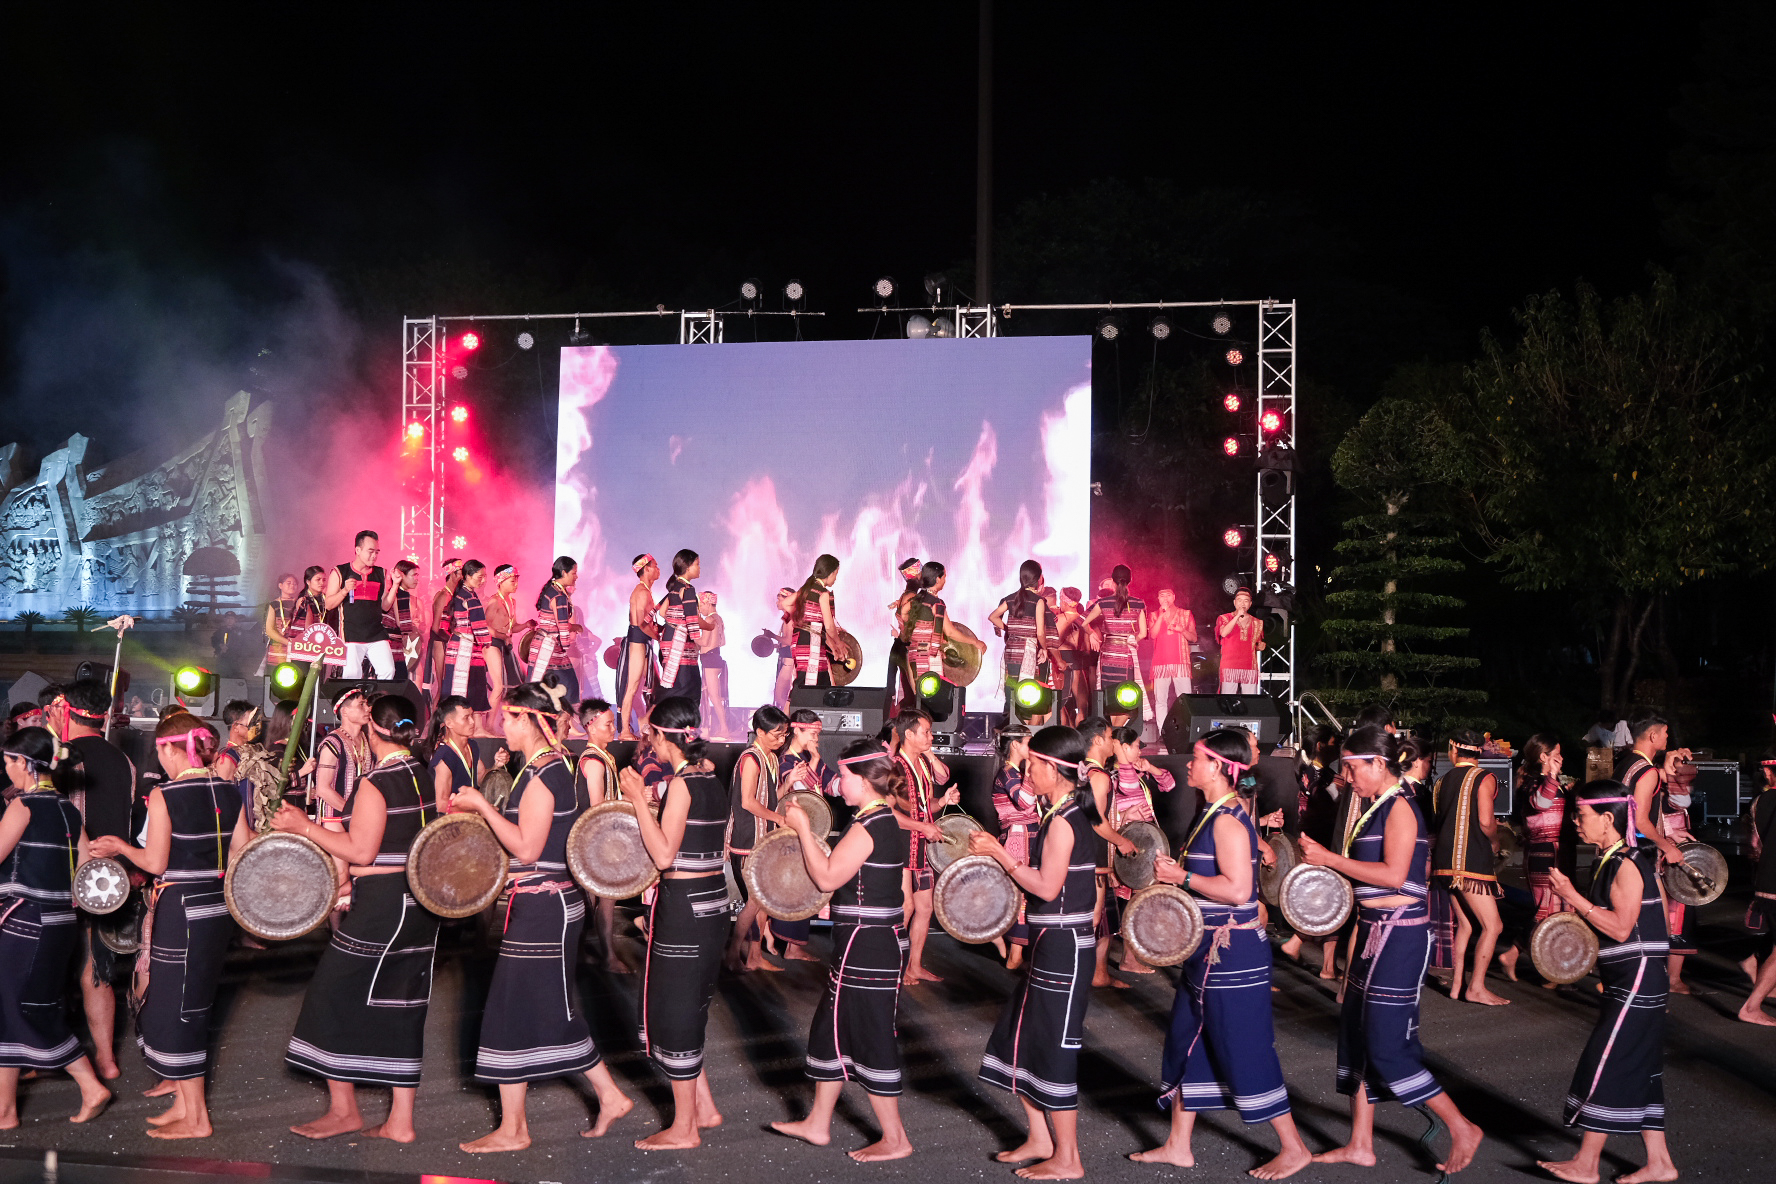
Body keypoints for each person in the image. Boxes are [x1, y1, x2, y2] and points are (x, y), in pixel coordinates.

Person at [449, 678, 632, 1152]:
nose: (500, 725)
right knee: (549, 1007)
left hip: (544, 906)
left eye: (508, 717)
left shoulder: (542, 773)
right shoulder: (554, 766)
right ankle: (608, 1096)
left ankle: (515, 1130)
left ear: (530, 719)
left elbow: (527, 847)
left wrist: (482, 807)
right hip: (548, 903)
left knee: (514, 1008)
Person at [1297, 725, 1484, 1175]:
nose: (1347, 775)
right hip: (1373, 930)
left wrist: (1330, 860)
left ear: (1378, 763)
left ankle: (1462, 1127)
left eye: (1352, 766)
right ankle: (1360, 1143)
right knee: (1357, 1038)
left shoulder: (1400, 808)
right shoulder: (1374, 805)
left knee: (1386, 1047)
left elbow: (1396, 876)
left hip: (1399, 936)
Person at [1132, 728, 1311, 1179]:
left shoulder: (1229, 820)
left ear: (1217, 766)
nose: (1188, 764)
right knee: (1187, 1040)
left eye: (1196, 758)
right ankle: (1177, 1145)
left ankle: (1293, 1147)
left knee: (1244, 1047)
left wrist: (1181, 879)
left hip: (1232, 953)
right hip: (1207, 950)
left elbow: (1238, 890)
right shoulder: (1211, 812)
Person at [276, 695, 441, 1144]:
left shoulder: (378, 780)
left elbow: (362, 850)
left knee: (331, 994)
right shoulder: (421, 773)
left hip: (385, 903)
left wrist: (302, 826)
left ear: (373, 728)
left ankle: (344, 1110)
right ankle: (400, 1122)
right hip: (421, 901)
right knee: (403, 1003)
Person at [89, 713, 250, 1140]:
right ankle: (182, 1102)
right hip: (217, 908)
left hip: (180, 908)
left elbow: (155, 862)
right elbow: (244, 850)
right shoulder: (228, 790)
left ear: (169, 748)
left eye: (158, 750)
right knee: (192, 1002)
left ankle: (197, 1118)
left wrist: (120, 845)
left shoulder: (166, 795)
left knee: (177, 1009)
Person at [769, 737, 915, 1162]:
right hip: (872, 938)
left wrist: (800, 829)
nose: (838, 782)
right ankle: (818, 1122)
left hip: (866, 943)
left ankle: (896, 1138)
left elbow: (827, 879)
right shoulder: (885, 818)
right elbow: (898, 892)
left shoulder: (869, 825)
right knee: (832, 1027)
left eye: (844, 775)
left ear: (865, 781)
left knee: (869, 1033)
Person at [968, 724, 1103, 1180]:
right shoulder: (1059, 813)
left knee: (1052, 1048)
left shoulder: (1065, 821)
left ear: (1051, 768)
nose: (1027, 770)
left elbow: (1046, 885)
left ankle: (1069, 1159)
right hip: (1054, 942)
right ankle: (1041, 1138)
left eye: (1032, 764)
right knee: (1018, 1037)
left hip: (1065, 946)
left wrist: (999, 854)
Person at [1537, 779, 1679, 1184]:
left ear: (1606, 818)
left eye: (1581, 816)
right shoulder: (1616, 858)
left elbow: (1619, 928)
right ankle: (1660, 1162)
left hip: (1637, 981)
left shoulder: (1626, 863)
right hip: (1634, 978)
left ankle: (1586, 1164)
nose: (1576, 824)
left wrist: (1572, 896)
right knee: (1642, 1067)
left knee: (1608, 1061)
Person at [620, 695, 729, 1150]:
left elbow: (664, 855)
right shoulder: (712, 779)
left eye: (651, 732)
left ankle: (684, 1129)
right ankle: (704, 1108)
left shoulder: (682, 785)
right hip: (713, 903)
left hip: (684, 905)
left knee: (676, 1008)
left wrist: (636, 802)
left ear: (665, 736)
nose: (649, 739)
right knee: (692, 1001)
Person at [0, 726, 114, 1126]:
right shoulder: (68, 809)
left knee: (24, 1010)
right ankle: (5, 1110)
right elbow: (86, 869)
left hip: (24, 922)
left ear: (27, 764)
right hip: (60, 924)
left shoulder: (23, 806)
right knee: (11, 1009)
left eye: (10, 761)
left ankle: (90, 1083)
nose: (7, 769)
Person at [57, 679, 137, 1081]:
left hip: (68, 877)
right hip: (113, 880)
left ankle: (48, 1055)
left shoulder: (65, 759)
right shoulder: (125, 761)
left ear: (66, 710)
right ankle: (106, 1057)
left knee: (60, 968)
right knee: (97, 970)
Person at [1614, 709, 1697, 995]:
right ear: (1652, 735)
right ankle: (1640, 987)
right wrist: (1666, 846)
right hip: (1638, 855)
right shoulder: (1647, 771)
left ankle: (1631, 983)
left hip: (1623, 852)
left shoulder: (1627, 762)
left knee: (1632, 923)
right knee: (1655, 925)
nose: (1667, 737)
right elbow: (1639, 821)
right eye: (1664, 733)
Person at [1430, 728, 1514, 1006]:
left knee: (1465, 924)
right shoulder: (1484, 778)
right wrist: (1494, 841)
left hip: (1444, 862)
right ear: (1479, 754)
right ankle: (1476, 987)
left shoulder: (1442, 782)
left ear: (1453, 751)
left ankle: (1457, 986)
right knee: (1494, 926)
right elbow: (1486, 822)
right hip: (1470, 863)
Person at [893, 710, 957, 985]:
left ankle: (914, 966)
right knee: (905, 907)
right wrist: (923, 827)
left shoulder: (923, 765)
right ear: (909, 734)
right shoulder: (894, 767)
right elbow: (888, 813)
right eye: (926, 732)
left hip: (922, 847)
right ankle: (893, 968)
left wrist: (942, 803)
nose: (931, 737)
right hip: (902, 846)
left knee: (925, 908)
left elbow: (924, 807)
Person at [726, 705, 790, 973]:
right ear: (759, 732)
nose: (781, 739)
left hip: (764, 839)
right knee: (754, 901)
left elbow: (771, 797)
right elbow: (748, 802)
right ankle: (731, 954)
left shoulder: (770, 758)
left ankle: (753, 956)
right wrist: (778, 819)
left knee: (760, 901)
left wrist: (789, 788)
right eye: (776, 735)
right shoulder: (750, 759)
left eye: (784, 735)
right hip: (747, 839)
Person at [1076, 716, 1139, 988]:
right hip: (1092, 855)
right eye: (1111, 735)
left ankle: (1095, 974)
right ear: (1098, 739)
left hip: (1082, 851)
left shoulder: (1080, 770)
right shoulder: (1099, 776)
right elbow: (1096, 820)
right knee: (1091, 917)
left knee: (1094, 918)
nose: (1115, 741)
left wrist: (1122, 819)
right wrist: (1121, 842)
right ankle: (1074, 975)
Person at [1108, 724, 1175, 977]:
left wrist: (1149, 767)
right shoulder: (1116, 776)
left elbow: (1169, 784)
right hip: (1131, 848)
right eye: (1136, 746)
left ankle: (1130, 957)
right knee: (1136, 903)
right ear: (1124, 747)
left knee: (1140, 902)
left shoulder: (1135, 773)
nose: (1140, 751)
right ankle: (1129, 958)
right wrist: (1124, 757)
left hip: (1146, 846)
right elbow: (1123, 791)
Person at [770, 711, 833, 961]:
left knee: (804, 885)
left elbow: (830, 783)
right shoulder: (786, 761)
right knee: (794, 886)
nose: (816, 738)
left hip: (810, 833)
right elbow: (799, 793)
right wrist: (815, 763)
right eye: (813, 733)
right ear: (797, 731)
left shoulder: (807, 758)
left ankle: (792, 946)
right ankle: (789, 947)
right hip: (792, 832)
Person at [573, 698, 627, 973]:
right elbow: (597, 807)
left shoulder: (604, 756)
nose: (613, 729)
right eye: (608, 724)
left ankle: (591, 955)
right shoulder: (593, 761)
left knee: (599, 898)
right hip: (596, 837)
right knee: (603, 898)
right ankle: (607, 958)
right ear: (590, 726)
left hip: (599, 836)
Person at [993, 725, 1039, 971]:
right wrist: (1032, 772)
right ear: (1015, 745)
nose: (1031, 748)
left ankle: (1014, 950)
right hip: (1017, 839)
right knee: (1019, 894)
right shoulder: (1008, 773)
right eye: (1028, 743)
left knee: (1025, 892)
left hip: (1028, 836)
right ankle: (1014, 954)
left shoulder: (1015, 772)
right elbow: (1024, 803)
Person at [324, 530, 399, 681]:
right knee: (351, 675)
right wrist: (344, 590)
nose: (374, 556)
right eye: (370, 551)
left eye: (377, 552)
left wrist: (395, 585)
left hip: (376, 633)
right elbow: (328, 604)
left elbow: (385, 606)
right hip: (351, 634)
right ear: (357, 550)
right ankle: (352, 703)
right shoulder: (340, 572)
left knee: (388, 671)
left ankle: (376, 703)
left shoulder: (381, 574)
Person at [1519, 734, 1575, 930]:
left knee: (1560, 908)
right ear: (1543, 757)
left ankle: (1517, 954)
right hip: (1544, 853)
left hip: (1557, 852)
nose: (1561, 759)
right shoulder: (1533, 781)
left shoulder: (1547, 782)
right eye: (1556, 755)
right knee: (1547, 910)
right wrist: (1552, 776)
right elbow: (1541, 803)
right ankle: (1522, 954)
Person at [990, 560, 1057, 724]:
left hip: (1012, 651)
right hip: (1027, 650)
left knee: (1012, 689)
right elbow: (1040, 632)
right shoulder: (1038, 601)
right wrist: (1045, 649)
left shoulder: (1012, 598)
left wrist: (1010, 629)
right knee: (1027, 690)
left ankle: (1013, 727)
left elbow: (993, 617)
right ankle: (1026, 730)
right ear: (1039, 578)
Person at [1082, 565, 1148, 725]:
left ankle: (1112, 731)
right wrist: (1133, 640)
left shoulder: (1103, 603)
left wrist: (1091, 635)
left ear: (1112, 581)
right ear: (1130, 581)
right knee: (1126, 697)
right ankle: (1116, 732)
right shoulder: (1138, 604)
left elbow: (1082, 621)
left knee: (1110, 697)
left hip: (1108, 656)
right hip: (1126, 656)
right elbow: (1144, 634)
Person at [1740, 750, 1776, 1025]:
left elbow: (1754, 847)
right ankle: (1752, 1007)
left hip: (1765, 880)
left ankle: (1754, 964)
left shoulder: (1759, 801)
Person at [440, 560, 495, 718]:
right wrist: (487, 643)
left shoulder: (465, 594)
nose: (483, 580)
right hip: (464, 648)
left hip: (466, 646)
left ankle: (474, 725)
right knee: (467, 686)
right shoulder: (465, 596)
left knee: (473, 685)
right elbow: (478, 624)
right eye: (480, 577)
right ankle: (453, 723)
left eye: (485, 577)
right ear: (467, 576)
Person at [615, 554, 661, 740]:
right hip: (637, 643)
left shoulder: (644, 591)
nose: (659, 569)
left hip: (642, 643)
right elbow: (642, 624)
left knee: (649, 687)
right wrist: (659, 637)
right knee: (632, 687)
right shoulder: (641, 592)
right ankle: (625, 730)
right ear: (647, 568)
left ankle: (642, 721)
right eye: (656, 565)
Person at [529, 557, 584, 703]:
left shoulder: (553, 590)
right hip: (548, 649)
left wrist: (574, 627)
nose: (576, 576)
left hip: (548, 646)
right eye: (574, 573)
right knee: (568, 690)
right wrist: (566, 645)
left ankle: (564, 724)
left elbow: (557, 623)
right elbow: (562, 626)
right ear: (564, 573)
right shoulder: (558, 596)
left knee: (548, 690)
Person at [657, 550, 708, 704]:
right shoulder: (687, 589)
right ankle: (673, 723)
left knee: (677, 685)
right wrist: (711, 626)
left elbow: (661, 612)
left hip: (670, 639)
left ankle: (665, 722)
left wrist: (674, 623)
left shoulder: (675, 587)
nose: (700, 568)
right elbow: (694, 620)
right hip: (680, 644)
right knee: (685, 688)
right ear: (687, 567)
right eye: (697, 565)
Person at [793, 554, 844, 691]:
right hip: (811, 645)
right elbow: (828, 626)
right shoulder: (823, 593)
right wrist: (839, 644)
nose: (836, 578)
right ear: (831, 572)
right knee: (808, 689)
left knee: (821, 685)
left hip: (803, 642)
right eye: (836, 574)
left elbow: (786, 604)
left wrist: (803, 622)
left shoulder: (806, 589)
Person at [425, 695, 484, 815]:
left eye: (472, 716)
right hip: (449, 826)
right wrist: (478, 810)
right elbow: (440, 804)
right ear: (449, 723)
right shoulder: (444, 757)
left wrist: (497, 766)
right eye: (466, 718)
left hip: (469, 819)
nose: (472, 722)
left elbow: (480, 778)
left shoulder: (472, 746)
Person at [1148, 588, 1198, 723]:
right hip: (1161, 663)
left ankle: (1185, 730)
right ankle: (1162, 731)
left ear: (1174, 597)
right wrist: (1161, 615)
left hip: (1181, 662)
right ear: (1158, 599)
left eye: (1168, 595)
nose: (1165, 598)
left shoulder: (1186, 614)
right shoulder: (1154, 615)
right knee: (1160, 700)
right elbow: (1152, 634)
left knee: (1184, 699)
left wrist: (1181, 630)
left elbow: (1193, 638)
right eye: (1162, 596)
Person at [483, 564, 529, 702]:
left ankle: (503, 719)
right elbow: (484, 626)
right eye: (512, 581)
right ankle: (490, 722)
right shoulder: (494, 601)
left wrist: (526, 625)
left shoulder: (512, 602)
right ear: (500, 582)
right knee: (499, 687)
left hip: (505, 643)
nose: (516, 584)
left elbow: (512, 628)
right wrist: (503, 636)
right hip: (493, 644)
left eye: (516, 581)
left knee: (514, 686)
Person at [1215, 586, 1266, 695]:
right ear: (1234, 602)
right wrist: (1237, 615)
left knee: (1249, 702)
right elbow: (1223, 633)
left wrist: (1260, 646)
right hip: (1230, 666)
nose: (1242, 603)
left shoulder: (1257, 622)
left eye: (1246, 601)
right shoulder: (1224, 618)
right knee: (1228, 702)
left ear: (1250, 604)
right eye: (1240, 600)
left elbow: (1254, 644)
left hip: (1249, 667)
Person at [697, 590, 733, 740]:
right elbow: (722, 642)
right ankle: (718, 727)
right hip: (715, 657)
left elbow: (704, 642)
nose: (699, 609)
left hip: (710, 660)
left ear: (706, 603)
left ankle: (724, 729)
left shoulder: (710, 620)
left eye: (700, 605)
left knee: (714, 697)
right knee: (713, 696)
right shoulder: (718, 619)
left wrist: (690, 637)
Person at [886, 557, 922, 705]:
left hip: (901, 645)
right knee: (913, 695)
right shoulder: (912, 598)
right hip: (907, 647)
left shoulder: (904, 597)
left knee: (909, 693)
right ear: (918, 576)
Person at [427, 558, 465, 696]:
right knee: (443, 689)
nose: (463, 577)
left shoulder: (454, 595)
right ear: (453, 574)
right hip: (440, 644)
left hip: (449, 644)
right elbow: (435, 628)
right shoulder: (443, 595)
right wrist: (452, 639)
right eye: (460, 573)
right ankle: (434, 717)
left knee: (449, 688)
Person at [385, 559, 424, 681]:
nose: (417, 579)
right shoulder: (395, 593)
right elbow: (399, 623)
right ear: (401, 575)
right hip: (389, 645)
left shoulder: (400, 593)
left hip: (395, 645)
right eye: (414, 575)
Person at [264, 572, 301, 668]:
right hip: (277, 649)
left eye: (295, 584)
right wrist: (288, 643)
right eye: (289, 583)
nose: (292, 585)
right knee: (275, 677)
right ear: (280, 585)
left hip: (297, 648)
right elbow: (269, 630)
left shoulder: (300, 603)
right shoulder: (273, 604)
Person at [771, 586, 799, 709]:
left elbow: (788, 640)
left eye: (779, 599)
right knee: (784, 695)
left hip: (789, 661)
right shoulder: (789, 617)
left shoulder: (790, 618)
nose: (777, 602)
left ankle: (788, 719)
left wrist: (772, 636)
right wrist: (777, 645)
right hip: (787, 659)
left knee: (780, 695)